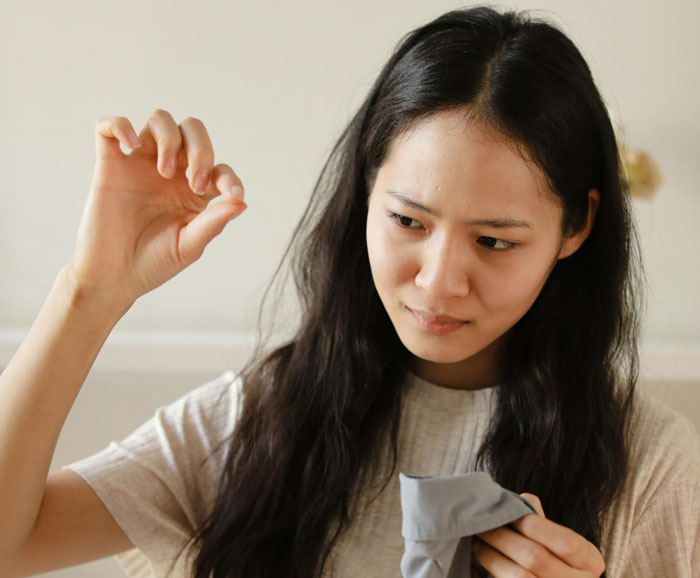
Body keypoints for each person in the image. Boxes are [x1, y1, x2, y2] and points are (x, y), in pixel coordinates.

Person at [1, 5, 698, 578]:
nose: (437, 280)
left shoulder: (655, 473)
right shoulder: (262, 422)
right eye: (406, 220)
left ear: (576, 226)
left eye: (494, 241)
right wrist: (90, 292)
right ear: (364, 191)